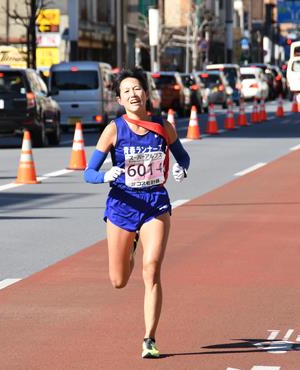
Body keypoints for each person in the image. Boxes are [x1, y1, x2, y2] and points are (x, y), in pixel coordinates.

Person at [83, 67, 191, 359]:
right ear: (119, 99)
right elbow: (88, 173)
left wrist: (181, 168)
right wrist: (105, 176)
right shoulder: (114, 129)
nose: (133, 94)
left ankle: (149, 339)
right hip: (122, 206)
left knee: (152, 269)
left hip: (155, 203)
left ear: (146, 93)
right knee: (118, 280)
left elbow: (183, 157)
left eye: (137, 89)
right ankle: (129, 245)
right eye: (126, 91)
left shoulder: (163, 127)